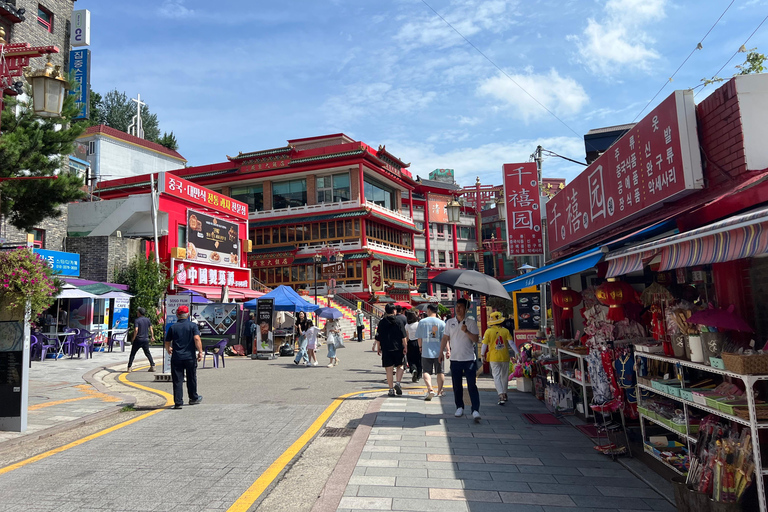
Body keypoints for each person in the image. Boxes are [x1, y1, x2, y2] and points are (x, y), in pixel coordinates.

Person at [441, 298, 481, 422]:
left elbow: (475, 339)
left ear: (466, 309)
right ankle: (459, 406)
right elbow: (445, 338)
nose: (458, 309)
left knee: (471, 385)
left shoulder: (471, 322)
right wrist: (440, 352)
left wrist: (466, 331)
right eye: (456, 306)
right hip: (455, 359)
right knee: (457, 386)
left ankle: (475, 410)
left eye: (461, 306)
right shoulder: (449, 322)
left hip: (469, 359)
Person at [164, 305, 202, 409]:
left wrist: (169, 349)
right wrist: (200, 352)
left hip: (177, 357)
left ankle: (178, 402)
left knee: (177, 380)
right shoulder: (193, 326)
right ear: (188, 315)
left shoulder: (173, 327)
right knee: (191, 377)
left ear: (177, 315)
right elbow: (197, 339)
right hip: (190, 357)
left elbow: (167, 342)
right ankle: (193, 398)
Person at [481, 311, 517, 405]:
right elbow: (511, 343)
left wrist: (482, 354)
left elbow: (484, 344)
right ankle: (505, 393)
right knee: (504, 376)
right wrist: (517, 352)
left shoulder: (488, 331)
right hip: (504, 356)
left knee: (496, 376)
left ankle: (500, 394)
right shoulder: (505, 331)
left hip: (494, 357)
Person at [375, 304, 407, 397]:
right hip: (398, 348)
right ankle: (398, 383)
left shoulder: (382, 322)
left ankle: (391, 389)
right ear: (394, 311)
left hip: (386, 348)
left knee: (388, 369)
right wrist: (405, 347)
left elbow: (378, 336)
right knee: (400, 366)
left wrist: (378, 347)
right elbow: (403, 336)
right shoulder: (399, 321)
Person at [417, 304, 445, 400]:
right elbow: (445, 339)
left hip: (426, 350)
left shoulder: (422, 322)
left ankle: (430, 389)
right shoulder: (442, 323)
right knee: (440, 371)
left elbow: (419, 337)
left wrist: (420, 347)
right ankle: (440, 391)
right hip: (439, 351)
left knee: (426, 371)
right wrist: (448, 350)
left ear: (429, 310)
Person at [127, 307, 156, 373]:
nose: (137, 313)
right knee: (147, 353)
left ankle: (129, 367)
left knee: (133, 353)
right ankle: (153, 365)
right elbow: (151, 329)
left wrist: (133, 338)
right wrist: (152, 336)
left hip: (138, 339)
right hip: (145, 339)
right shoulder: (147, 320)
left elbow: (136, 330)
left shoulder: (137, 320)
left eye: (137, 312)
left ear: (139, 313)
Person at [405, 311, 421, 383]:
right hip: (418, 342)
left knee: (411, 359)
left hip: (411, 343)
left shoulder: (407, 326)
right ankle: (418, 376)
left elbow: (407, 337)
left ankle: (413, 369)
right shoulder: (418, 324)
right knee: (419, 360)